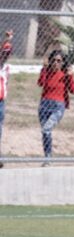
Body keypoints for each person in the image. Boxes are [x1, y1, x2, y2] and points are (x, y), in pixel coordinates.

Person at [37, 49, 74, 166]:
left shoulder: (65, 74)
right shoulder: (47, 72)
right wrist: (44, 69)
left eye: (59, 61)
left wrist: (70, 76)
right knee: (45, 133)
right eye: (53, 60)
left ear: (63, 62)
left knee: (46, 129)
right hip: (44, 105)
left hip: (58, 106)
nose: (56, 63)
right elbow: (40, 83)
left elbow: (73, 91)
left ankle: (48, 159)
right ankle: (47, 157)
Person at [0, 30, 13, 168]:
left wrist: (9, 40)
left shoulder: (6, 67)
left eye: (6, 55)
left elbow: (6, 48)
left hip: (1, 103)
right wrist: (6, 39)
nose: (4, 56)